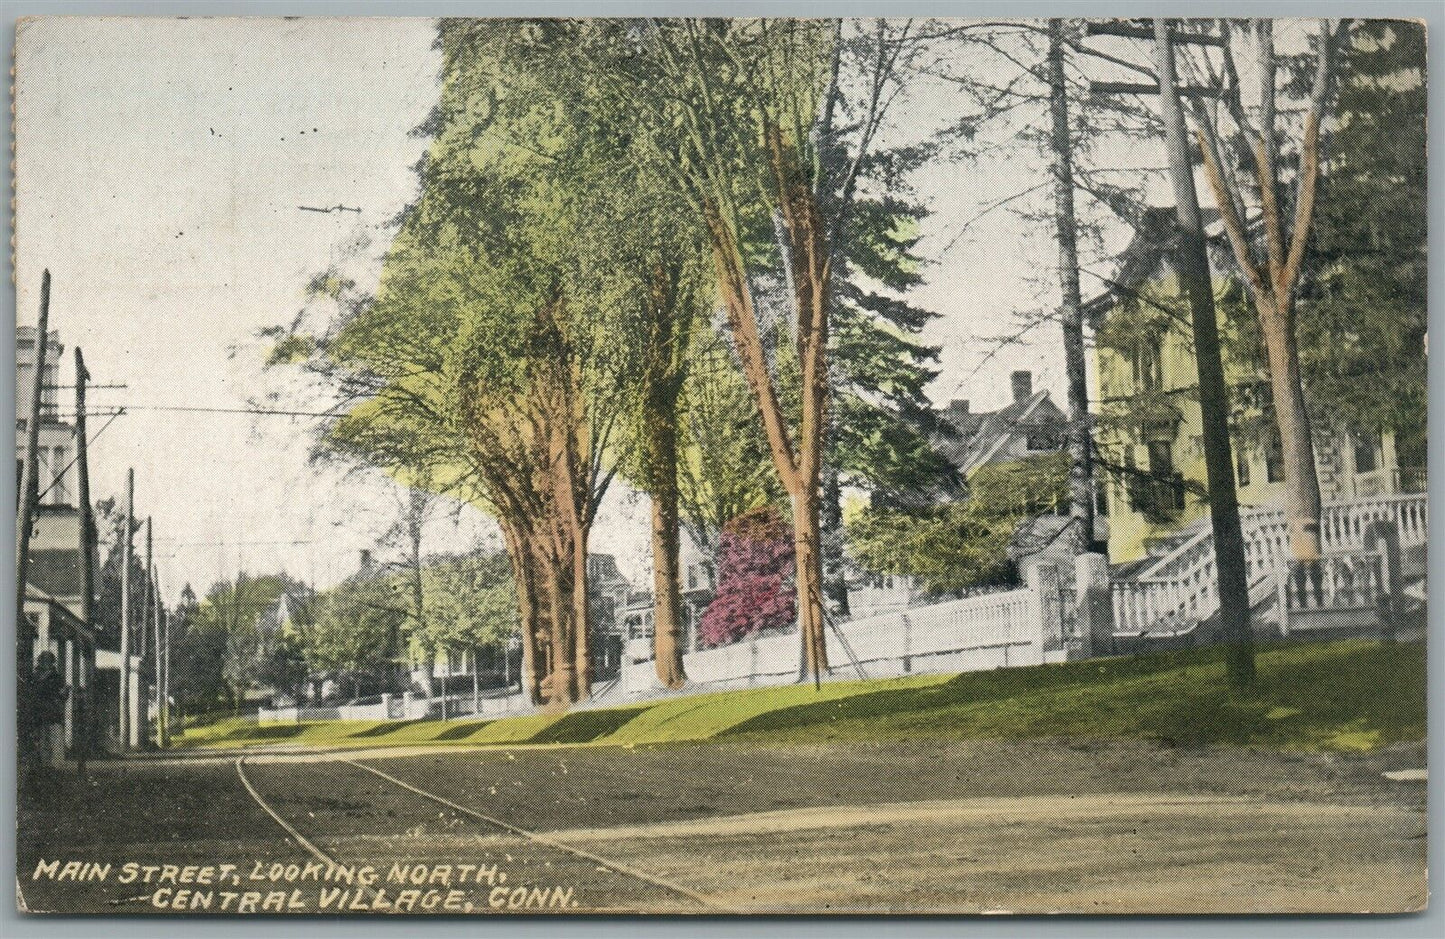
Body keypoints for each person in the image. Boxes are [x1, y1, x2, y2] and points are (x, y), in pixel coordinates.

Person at [32, 651, 69, 769]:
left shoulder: (57, 677)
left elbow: (63, 696)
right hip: (41, 712)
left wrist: (65, 692)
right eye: (44, 661)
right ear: (40, 662)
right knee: (43, 739)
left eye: (49, 661)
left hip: (53, 712)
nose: (47, 664)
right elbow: (34, 693)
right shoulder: (35, 676)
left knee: (55, 738)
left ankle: (55, 765)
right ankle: (45, 764)